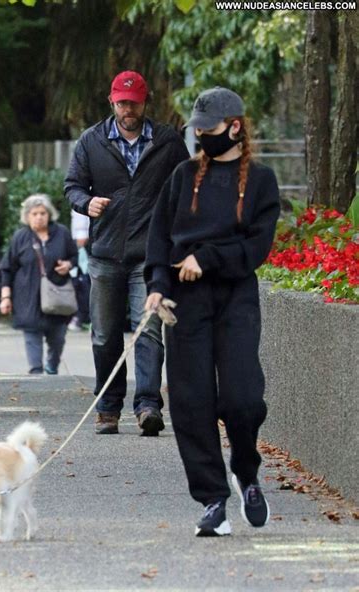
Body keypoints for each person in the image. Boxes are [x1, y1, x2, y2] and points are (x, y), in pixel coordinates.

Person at [144, 87, 280, 536]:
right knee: (190, 402)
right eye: (196, 129)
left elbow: (257, 245)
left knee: (243, 400)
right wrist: (157, 286)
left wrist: (210, 258)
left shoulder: (261, 181)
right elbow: (159, 237)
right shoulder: (183, 176)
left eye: (210, 129)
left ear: (235, 127)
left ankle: (246, 471)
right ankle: (212, 500)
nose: (201, 136)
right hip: (185, 303)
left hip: (235, 296)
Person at [65, 70, 190, 436]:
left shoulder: (167, 142)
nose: (127, 109)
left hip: (150, 257)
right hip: (104, 254)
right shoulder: (91, 141)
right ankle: (108, 408)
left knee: (148, 330)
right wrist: (86, 203)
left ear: (144, 102)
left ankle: (148, 405)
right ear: (112, 102)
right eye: (122, 102)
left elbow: (184, 187)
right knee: (104, 335)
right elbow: (72, 186)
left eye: (133, 103)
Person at [0, 194, 78, 375]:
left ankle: (52, 366)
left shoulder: (62, 233)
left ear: (49, 214)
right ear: (27, 216)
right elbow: (7, 268)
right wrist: (5, 297)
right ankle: (36, 373)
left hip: (57, 296)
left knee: (57, 338)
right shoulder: (21, 237)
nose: (39, 217)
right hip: (28, 298)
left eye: (42, 213)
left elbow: (74, 256)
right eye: (34, 213)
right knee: (32, 336)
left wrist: (68, 265)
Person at [68, 210, 91, 332]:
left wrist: (81, 234)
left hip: (81, 241)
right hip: (78, 240)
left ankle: (83, 317)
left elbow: (80, 213)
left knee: (82, 281)